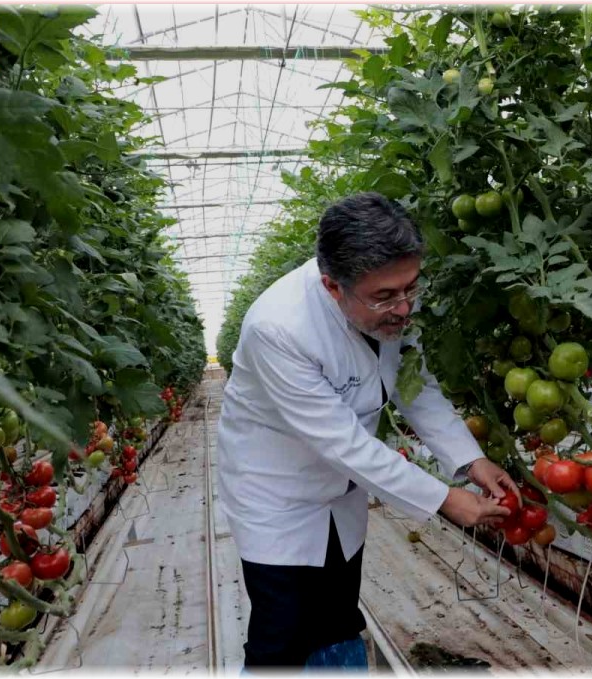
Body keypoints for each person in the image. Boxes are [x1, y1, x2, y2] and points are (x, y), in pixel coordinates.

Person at [216, 192, 517, 672]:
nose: (403, 307)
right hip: (278, 495)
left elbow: (415, 387)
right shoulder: (278, 329)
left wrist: (469, 459)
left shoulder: (391, 307)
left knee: (337, 612)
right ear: (333, 286)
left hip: (342, 489)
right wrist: (445, 499)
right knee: (282, 632)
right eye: (385, 297)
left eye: (411, 288)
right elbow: (343, 443)